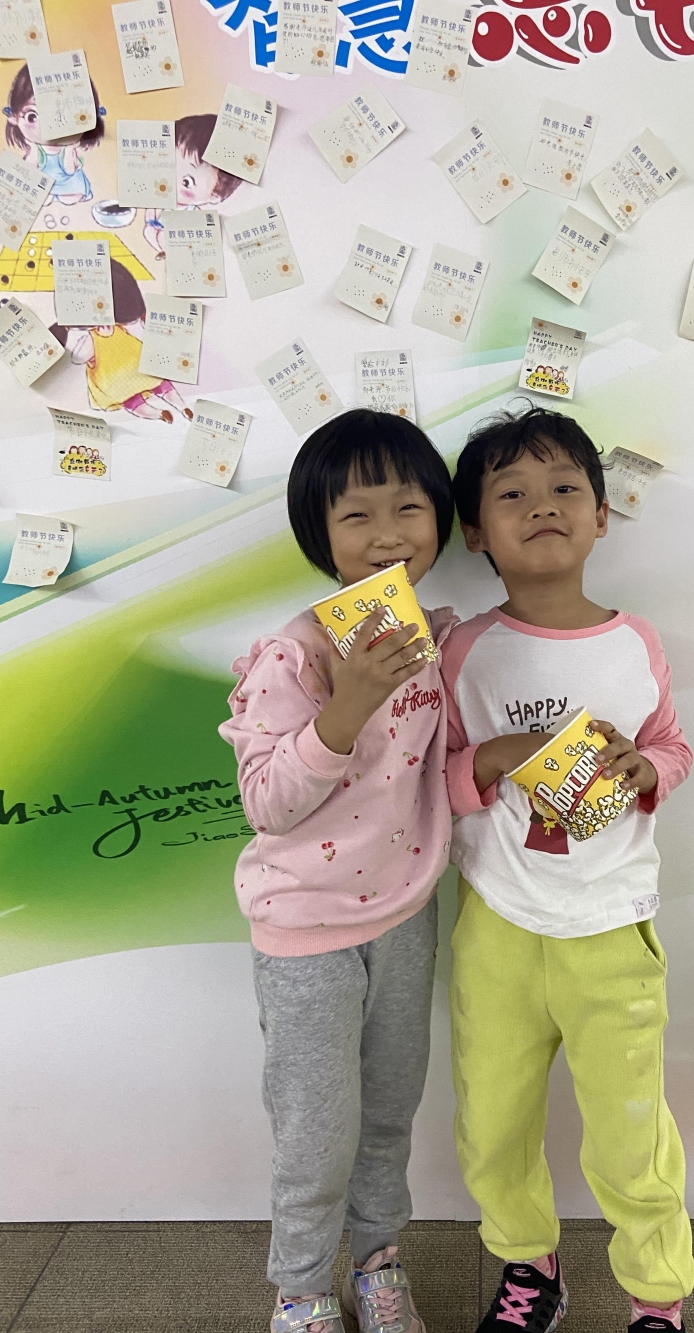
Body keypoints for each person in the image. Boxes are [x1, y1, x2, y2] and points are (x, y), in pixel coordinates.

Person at [443, 405, 694, 1333]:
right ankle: (528, 1264)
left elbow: (673, 746)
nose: (542, 505)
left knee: (633, 1131)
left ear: (600, 514)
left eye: (563, 488)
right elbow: (432, 777)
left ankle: (656, 1295)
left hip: (612, 924)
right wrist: (490, 758)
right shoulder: (464, 650)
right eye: (511, 493)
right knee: (492, 1124)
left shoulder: (637, 642)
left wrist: (646, 769)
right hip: (498, 925)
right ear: (477, 531)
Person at [218, 410, 456, 1333]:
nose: (387, 533)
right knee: (316, 1130)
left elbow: (437, 770)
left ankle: (379, 1262)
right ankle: (302, 1288)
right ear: (319, 534)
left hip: (404, 915)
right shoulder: (296, 654)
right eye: (357, 515)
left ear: (440, 519)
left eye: (408, 508)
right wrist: (346, 703)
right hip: (304, 931)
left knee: (389, 1113)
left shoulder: (435, 640)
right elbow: (267, 801)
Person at [49, 259, 192, 422]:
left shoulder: (91, 338)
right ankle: (182, 407)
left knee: (132, 402)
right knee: (161, 385)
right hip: (137, 365)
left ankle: (158, 414)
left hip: (114, 381)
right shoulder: (121, 325)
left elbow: (78, 358)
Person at [3, 63, 105, 209]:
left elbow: (69, 170)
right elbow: (31, 170)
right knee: (41, 196)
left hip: (67, 181)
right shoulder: (36, 148)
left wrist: (69, 150)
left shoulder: (68, 148)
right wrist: (33, 149)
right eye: (32, 116)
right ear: (14, 118)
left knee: (71, 196)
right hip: (42, 183)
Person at [142, 113, 243, 257]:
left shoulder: (194, 216)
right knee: (149, 232)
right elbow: (151, 214)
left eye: (186, 182)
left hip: (177, 246)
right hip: (155, 232)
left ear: (214, 195)